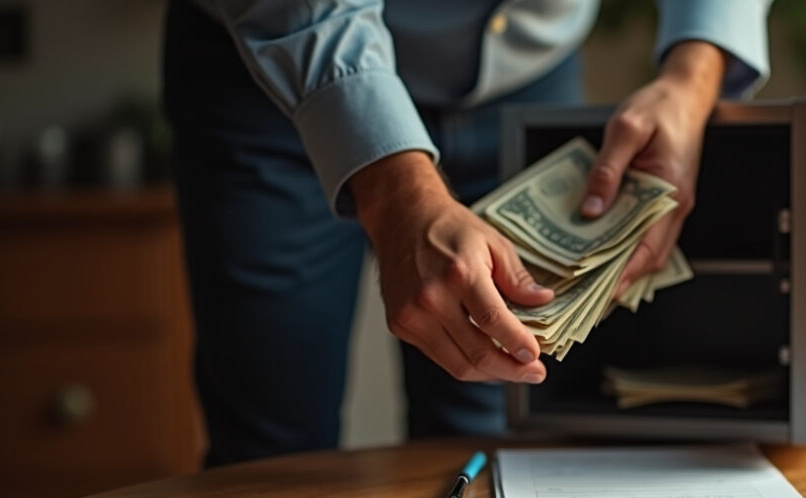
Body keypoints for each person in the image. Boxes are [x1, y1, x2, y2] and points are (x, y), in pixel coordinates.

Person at [163, 0, 773, 466]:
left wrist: (693, 78)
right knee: (273, 443)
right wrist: (393, 187)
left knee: (490, 436)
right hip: (277, 75)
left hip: (529, 72)